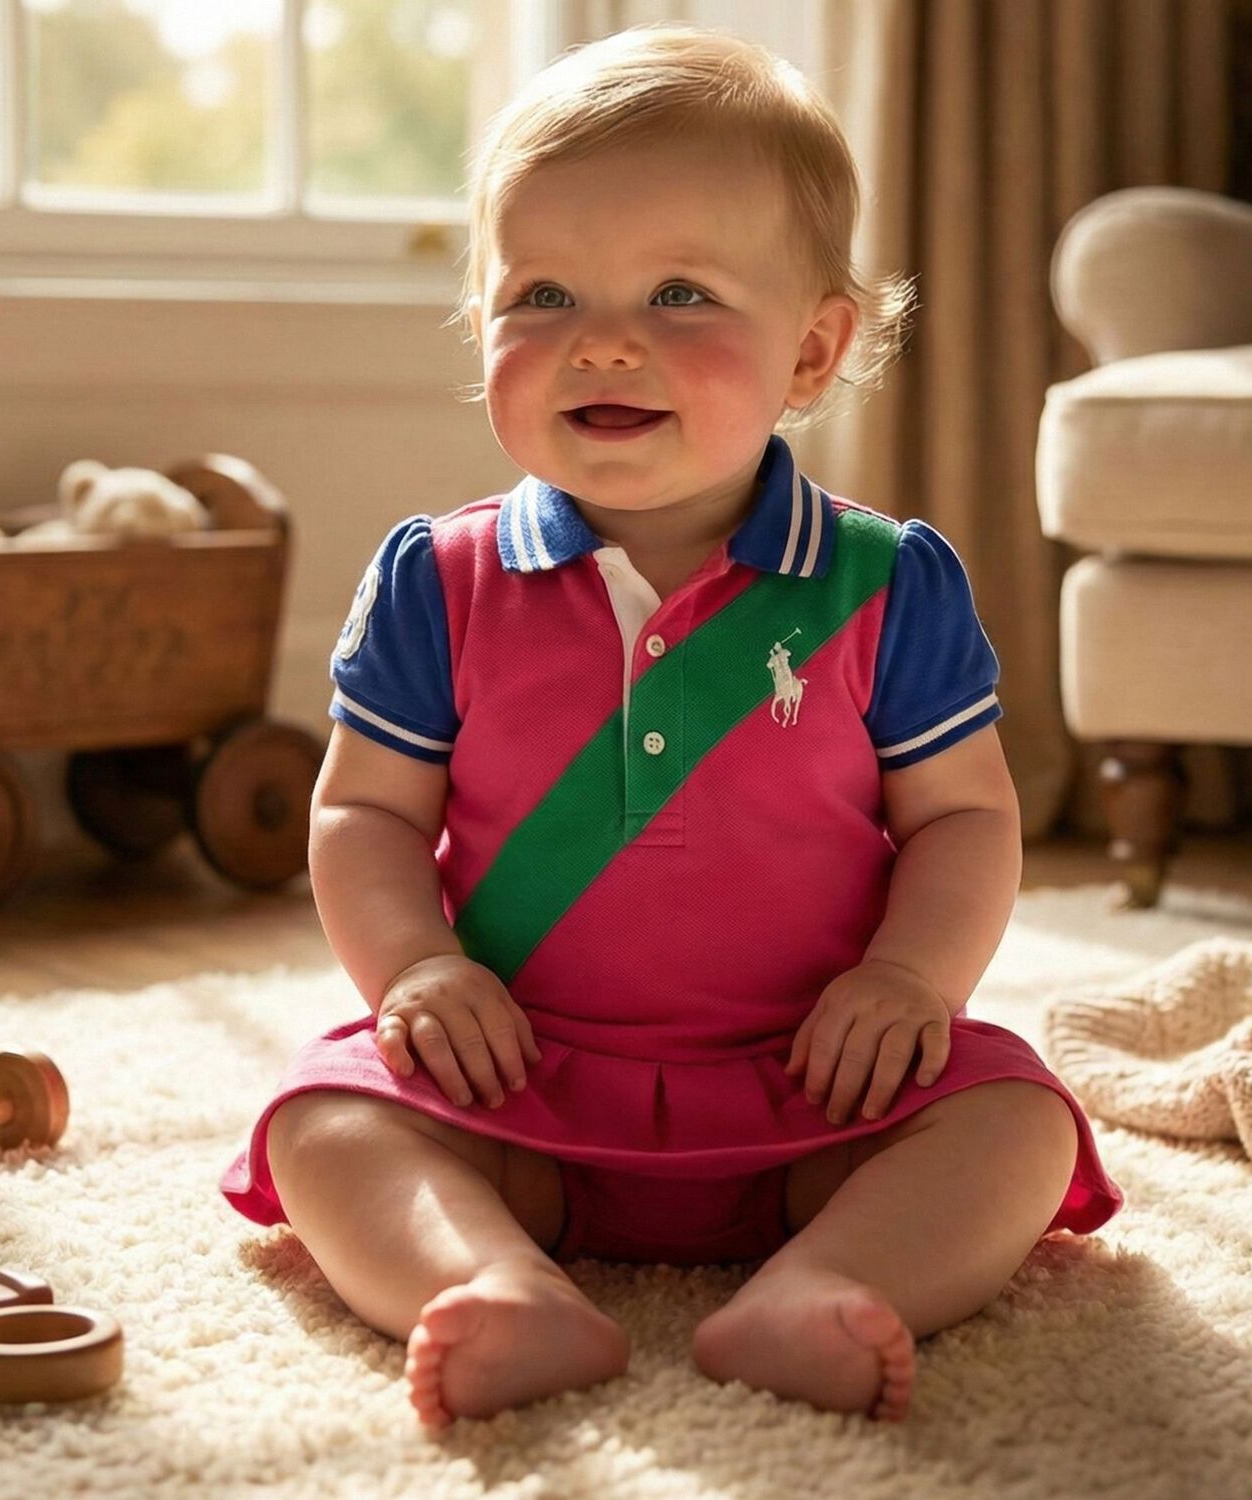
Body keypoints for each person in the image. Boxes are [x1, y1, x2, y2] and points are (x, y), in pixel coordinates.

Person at [221, 22, 1122, 1432]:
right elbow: (363, 814)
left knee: (1016, 1121)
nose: (605, 339)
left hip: (818, 1089)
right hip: (516, 1083)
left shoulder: (888, 584)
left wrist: (908, 984)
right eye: (542, 294)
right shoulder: (436, 582)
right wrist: (413, 969)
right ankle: (494, 1281)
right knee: (325, 1118)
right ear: (484, 327)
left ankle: (827, 1282)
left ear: (815, 349)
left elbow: (962, 816)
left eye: (682, 291)